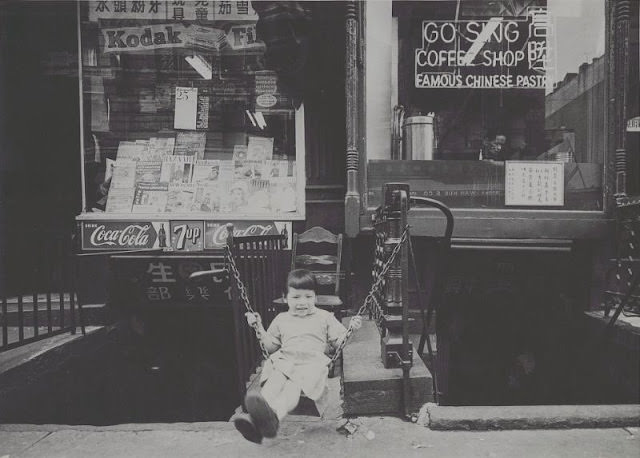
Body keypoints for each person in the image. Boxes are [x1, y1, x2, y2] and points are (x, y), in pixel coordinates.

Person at [231, 269, 362, 443]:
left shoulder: (325, 317)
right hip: (286, 360)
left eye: (308, 297)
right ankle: (258, 420)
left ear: (315, 297)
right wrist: (259, 327)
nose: (302, 302)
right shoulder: (281, 319)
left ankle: (273, 417)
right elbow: (270, 347)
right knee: (275, 381)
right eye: (296, 297)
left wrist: (351, 330)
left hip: (311, 364)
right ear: (285, 298)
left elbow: (339, 343)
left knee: (292, 388)